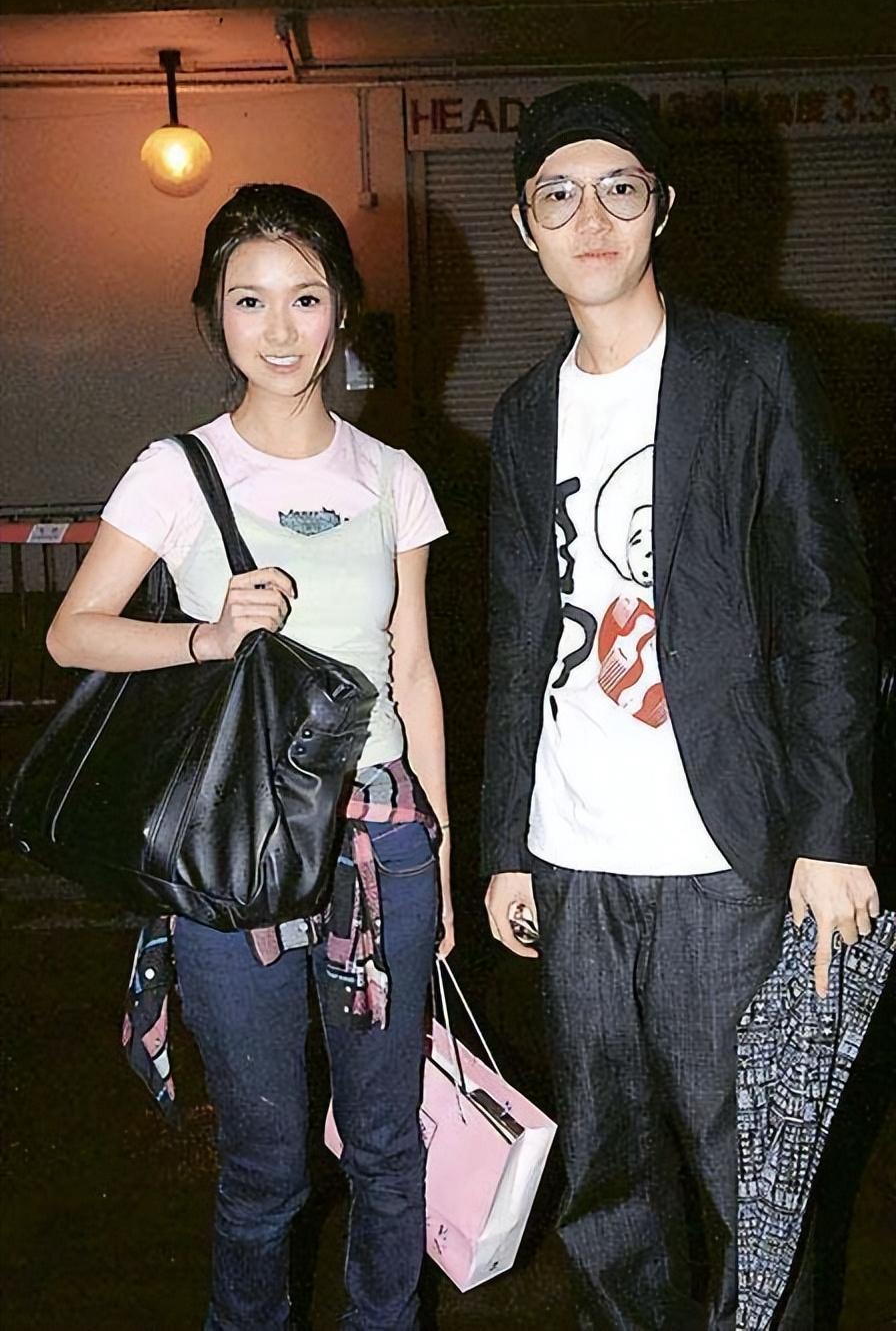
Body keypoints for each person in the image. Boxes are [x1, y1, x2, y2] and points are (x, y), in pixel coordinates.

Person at [482, 82, 879, 1330]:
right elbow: (517, 638)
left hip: (726, 853)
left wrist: (833, 833)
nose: (589, 217)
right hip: (572, 855)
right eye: (557, 194)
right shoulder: (522, 413)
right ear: (524, 226)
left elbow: (824, 608)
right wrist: (504, 847)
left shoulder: (749, 370)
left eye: (617, 187)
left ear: (660, 208)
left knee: (754, 1181)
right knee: (605, 1184)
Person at [47, 182, 452, 1331]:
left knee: (386, 1147)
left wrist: (441, 853)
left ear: (342, 311)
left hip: (381, 837)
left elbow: (413, 669)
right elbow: (73, 631)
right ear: (213, 315)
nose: (279, 329)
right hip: (232, 843)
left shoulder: (391, 476)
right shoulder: (176, 471)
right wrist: (205, 635)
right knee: (267, 1164)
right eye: (249, 300)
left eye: (304, 298)